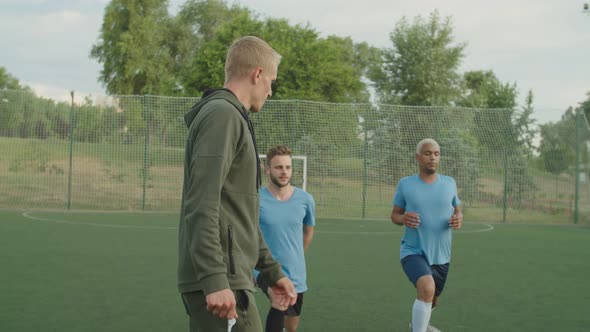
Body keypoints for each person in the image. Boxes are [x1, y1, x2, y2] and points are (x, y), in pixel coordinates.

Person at [177, 36, 297, 332]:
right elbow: (201, 204)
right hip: (222, 281)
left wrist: (271, 272)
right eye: (271, 81)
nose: (270, 91)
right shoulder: (223, 115)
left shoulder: (231, 117)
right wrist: (215, 280)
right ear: (257, 74)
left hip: (232, 277)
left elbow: (239, 213)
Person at [390, 138, 463, 332]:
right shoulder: (406, 184)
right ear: (418, 157)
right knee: (427, 288)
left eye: (436, 154)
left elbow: (458, 210)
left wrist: (458, 217)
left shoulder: (450, 183)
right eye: (428, 153)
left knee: (432, 298)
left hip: (441, 255)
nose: (433, 157)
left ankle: (420, 323)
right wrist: (404, 218)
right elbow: (395, 215)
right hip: (413, 251)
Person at [255, 145, 316, 332]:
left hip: (295, 273)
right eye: (278, 167)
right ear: (267, 170)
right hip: (265, 270)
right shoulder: (256, 199)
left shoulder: (305, 199)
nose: (284, 172)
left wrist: (298, 256)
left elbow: (308, 231)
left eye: (288, 167)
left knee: (291, 326)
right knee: (279, 299)